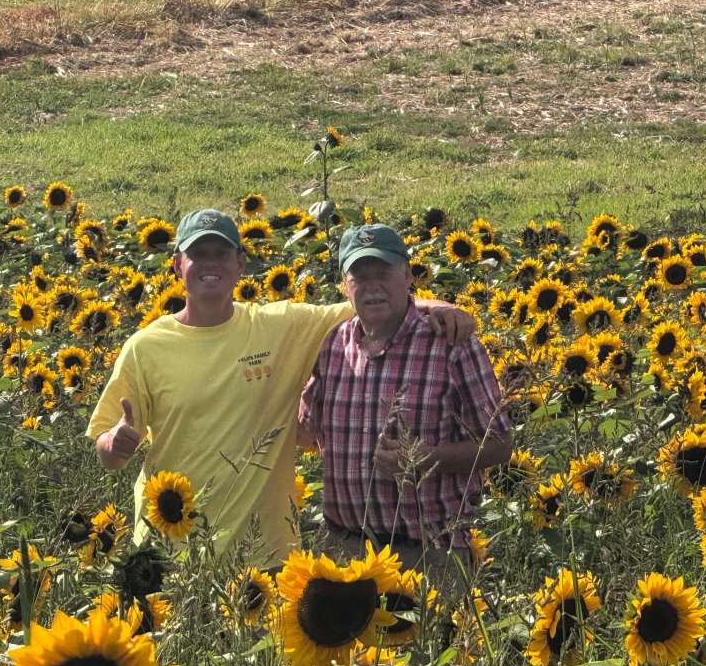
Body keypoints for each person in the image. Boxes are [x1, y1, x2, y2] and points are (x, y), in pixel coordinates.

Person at [86, 208, 475, 566]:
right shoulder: (146, 347)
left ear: (240, 262)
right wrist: (114, 445)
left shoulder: (281, 327)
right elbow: (107, 449)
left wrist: (440, 307)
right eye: (197, 254)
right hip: (170, 549)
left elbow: (371, 302)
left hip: (267, 554)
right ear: (176, 266)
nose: (210, 264)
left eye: (220, 253)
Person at [297, 223, 512, 593]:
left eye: (383, 272)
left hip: (429, 556)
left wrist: (423, 458)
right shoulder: (333, 344)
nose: (372, 285)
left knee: (437, 651)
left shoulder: (451, 345)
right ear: (345, 285)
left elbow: (499, 444)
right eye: (359, 275)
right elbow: (306, 430)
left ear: (408, 276)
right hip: (345, 552)